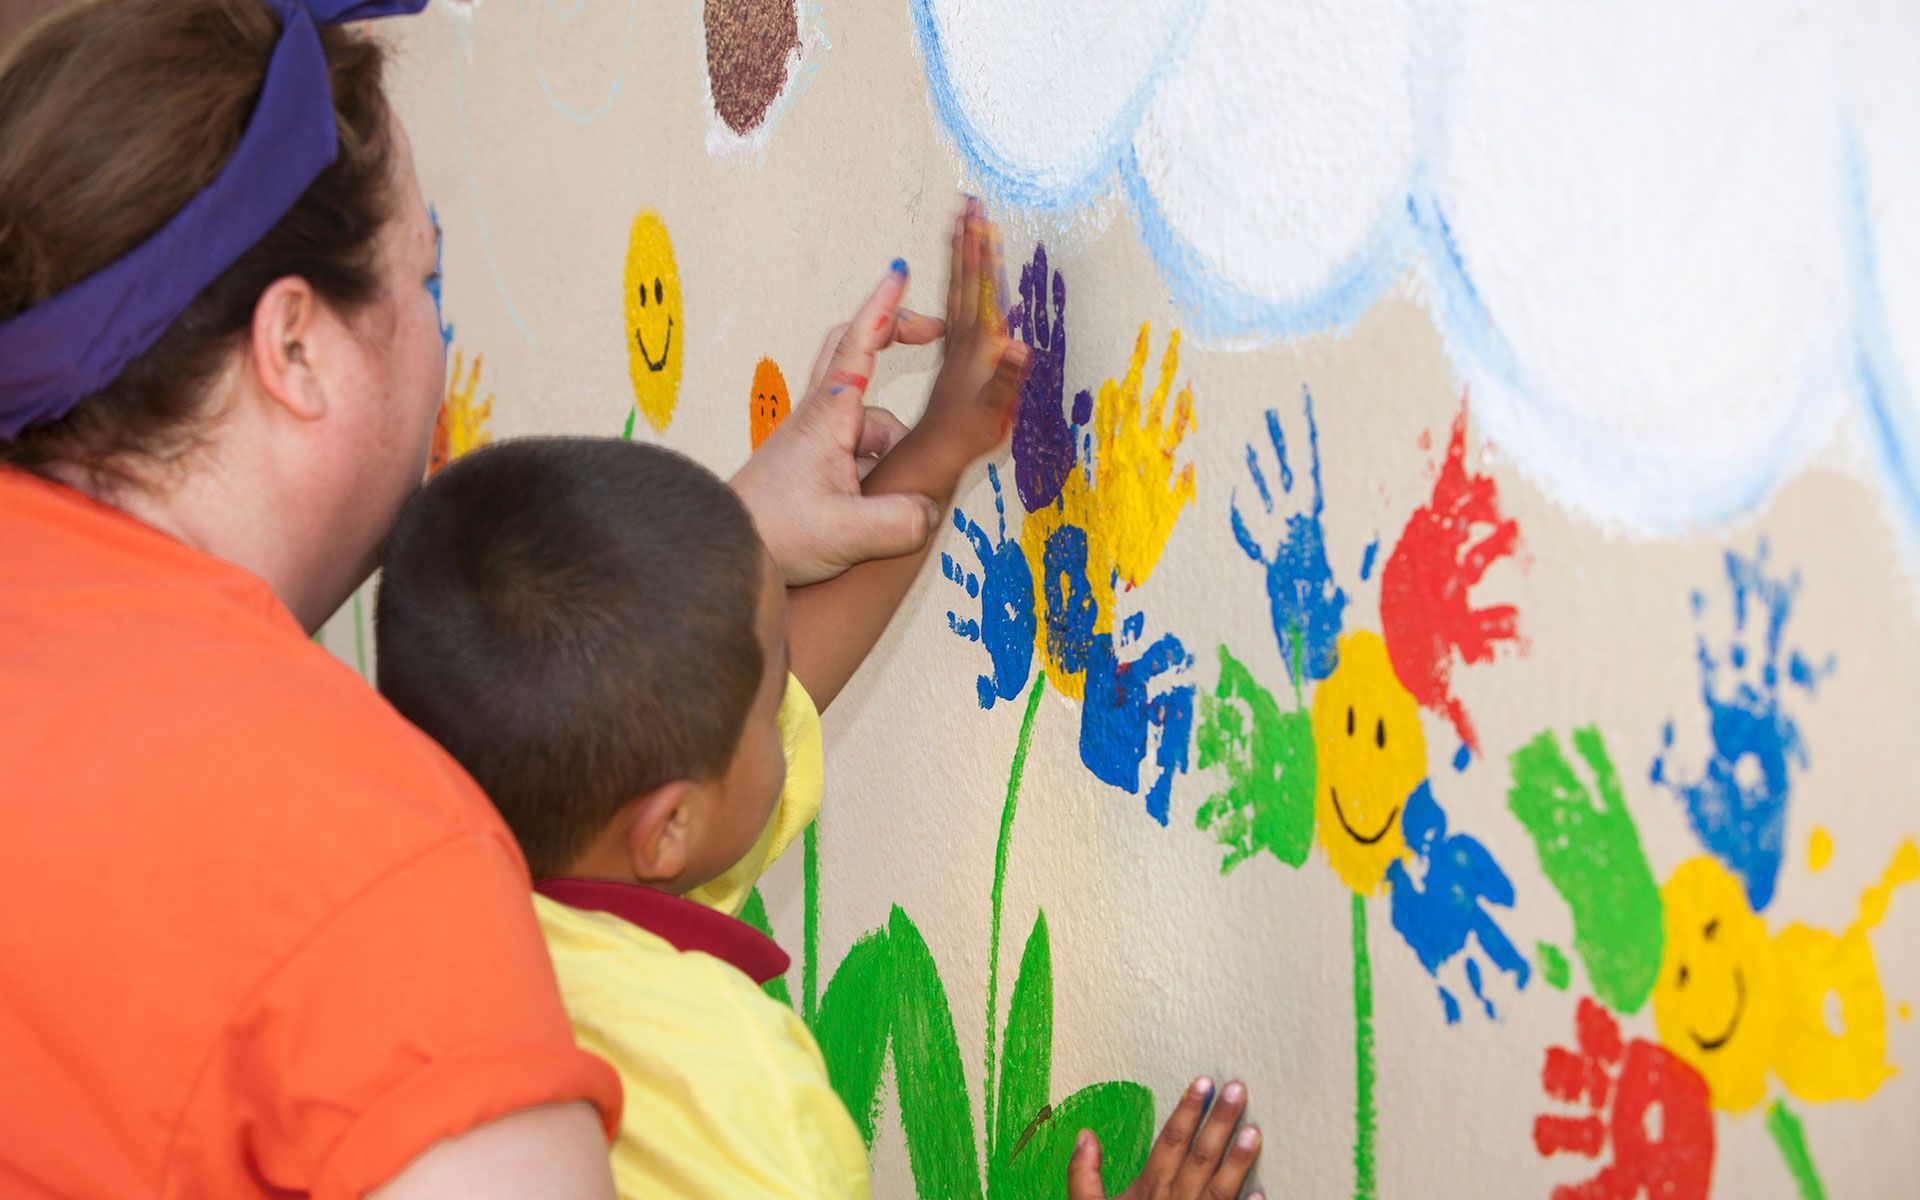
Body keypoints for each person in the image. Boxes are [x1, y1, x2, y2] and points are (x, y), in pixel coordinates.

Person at [0, 2, 1268, 1196]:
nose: (439, 342)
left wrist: (849, 491)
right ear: (292, 348)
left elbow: (688, 723)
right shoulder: (392, 882)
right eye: (427, 287)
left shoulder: (459, 765)